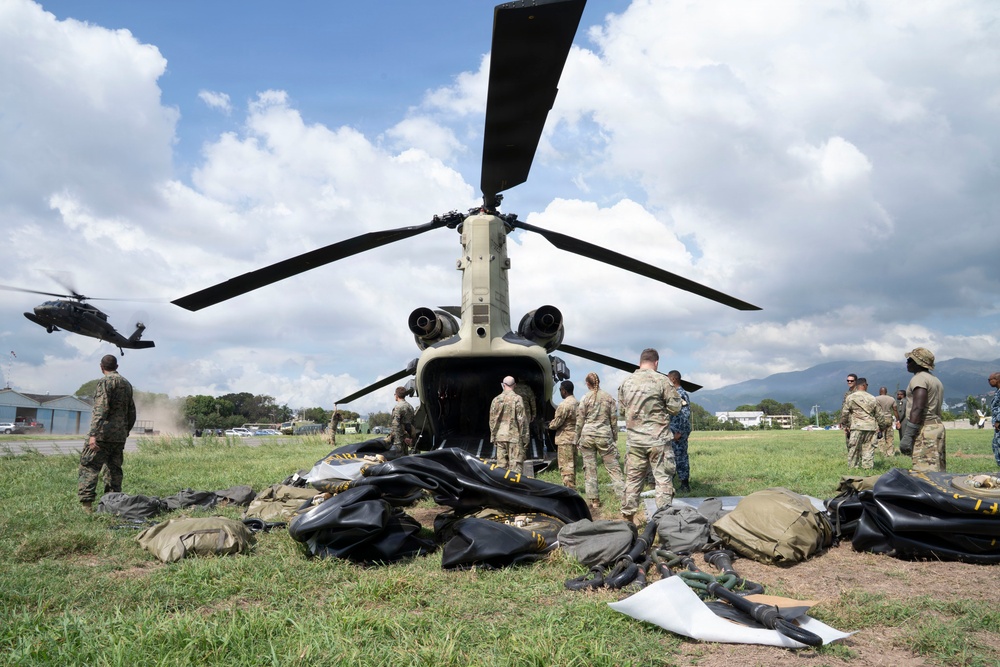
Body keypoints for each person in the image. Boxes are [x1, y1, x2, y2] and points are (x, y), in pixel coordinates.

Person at [618, 348, 681, 523]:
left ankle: (628, 522)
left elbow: (622, 411)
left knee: (632, 480)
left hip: (635, 441)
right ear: (656, 363)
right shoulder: (663, 381)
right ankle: (663, 523)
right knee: (662, 480)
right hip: (658, 440)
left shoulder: (626, 382)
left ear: (640, 362)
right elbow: (675, 408)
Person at [79, 354, 136, 513]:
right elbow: (132, 411)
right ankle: (114, 505)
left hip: (103, 435)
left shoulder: (104, 382)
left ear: (101, 366)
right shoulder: (127, 384)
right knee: (114, 470)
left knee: (89, 468)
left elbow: (100, 409)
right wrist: (125, 431)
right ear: (116, 367)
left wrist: (93, 434)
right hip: (118, 437)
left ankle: (87, 507)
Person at [574, 372, 625, 510]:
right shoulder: (609, 398)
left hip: (588, 436)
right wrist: (614, 437)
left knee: (590, 470)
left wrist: (576, 438)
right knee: (614, 468)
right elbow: (614, 420)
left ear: (587, 384)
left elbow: (580, 421)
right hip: (604, 436)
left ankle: (594, 501)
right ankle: (623, 498)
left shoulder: (585, 398)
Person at [899, 347, 946, 472]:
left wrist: (908, 435)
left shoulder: (919, 379)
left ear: (917, 363)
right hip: (936, 427)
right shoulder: (935, 380)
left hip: (925, 429)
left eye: (910, 360)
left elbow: (918, 407)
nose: (907, 363)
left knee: (924, 473)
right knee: (937, 471)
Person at [841, 378, 884, 470]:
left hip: (856, 427)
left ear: (856, 385)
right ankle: (867, 469)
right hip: (870, 428)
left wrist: (845, 425)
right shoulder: (873, 398)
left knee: (854, 449)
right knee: (868, 449)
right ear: (865, 385)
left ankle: (853, 469)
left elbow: (844, 413)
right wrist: (881, 427)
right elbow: (880, 416)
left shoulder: (850, 397)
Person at [489, 376, 528, 473]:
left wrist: (493, 436)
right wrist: (525, 438)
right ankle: (515, 487)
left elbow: (492, 420)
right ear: (515, 385)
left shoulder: (496, 400)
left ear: (503, 385)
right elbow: (522, 420)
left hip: (500, 437)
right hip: (514, 437)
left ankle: (502, 488)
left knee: (501, 470)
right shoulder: (518, 399)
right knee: (515, 470)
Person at [547, 380, 578, 489]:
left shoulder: (564, 405)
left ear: (564, 391)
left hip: (565, 439)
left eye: (560, 390)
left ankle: (569, 490)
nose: (560, 392)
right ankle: (572, 486)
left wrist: (548, 425)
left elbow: (557, 423)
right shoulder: (577, 403)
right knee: (572, 465)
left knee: (566, 467)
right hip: (575, 438)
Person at [666, 370, 693, 493]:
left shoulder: (680, 394)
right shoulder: (674, 393)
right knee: (673, 457)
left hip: (678, 432)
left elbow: (684, 415)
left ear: (673, 379)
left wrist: (679, 433)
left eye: (668, 378)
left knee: (681, 458)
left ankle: (685, 484)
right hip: (673, 431)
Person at [511, 376, 537, 458]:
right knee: (525, 433)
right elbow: (532, 402)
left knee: (514, 432)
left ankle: (513, 453)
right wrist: (534, 414)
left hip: (515, 413)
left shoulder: (513, 388)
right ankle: (524, 454)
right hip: (526, 413)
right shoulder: (527, 388)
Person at [389, 386, 415, 455]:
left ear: (396, 395)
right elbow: (413, 424)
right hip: (407, 439)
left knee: (398, 459)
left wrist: (397, 442)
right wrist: (410, 438)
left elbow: (396, 425)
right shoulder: (410, 407)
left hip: (399, 440)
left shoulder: (398, 407)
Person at [873, 386, 899, 457]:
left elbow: (874, 409)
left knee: (881, 436)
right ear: (886, 392)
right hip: (889, 418)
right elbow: (895, 409)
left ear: (880, 392)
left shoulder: (876, 398)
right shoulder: (891, 399)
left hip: (880, 419)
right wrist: (897, 419)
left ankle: (883, 453)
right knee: (890, 436)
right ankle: (890, 453)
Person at [840, 373, 858, 447]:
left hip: (857, 421)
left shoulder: (859, 393)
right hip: (848, 422)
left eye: (851, 381)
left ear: (856, 381)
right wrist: (842, 421)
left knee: (857, 444)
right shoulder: (847, 393)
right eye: (848, 381)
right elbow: (844, 407)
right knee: (849, 443)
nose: (849, 382)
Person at [988, 372, 1000, 468]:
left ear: (997, 380)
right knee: (995, 445)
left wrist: (998, 420)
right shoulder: (998, 391)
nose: (989, 382)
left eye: (990, 379)